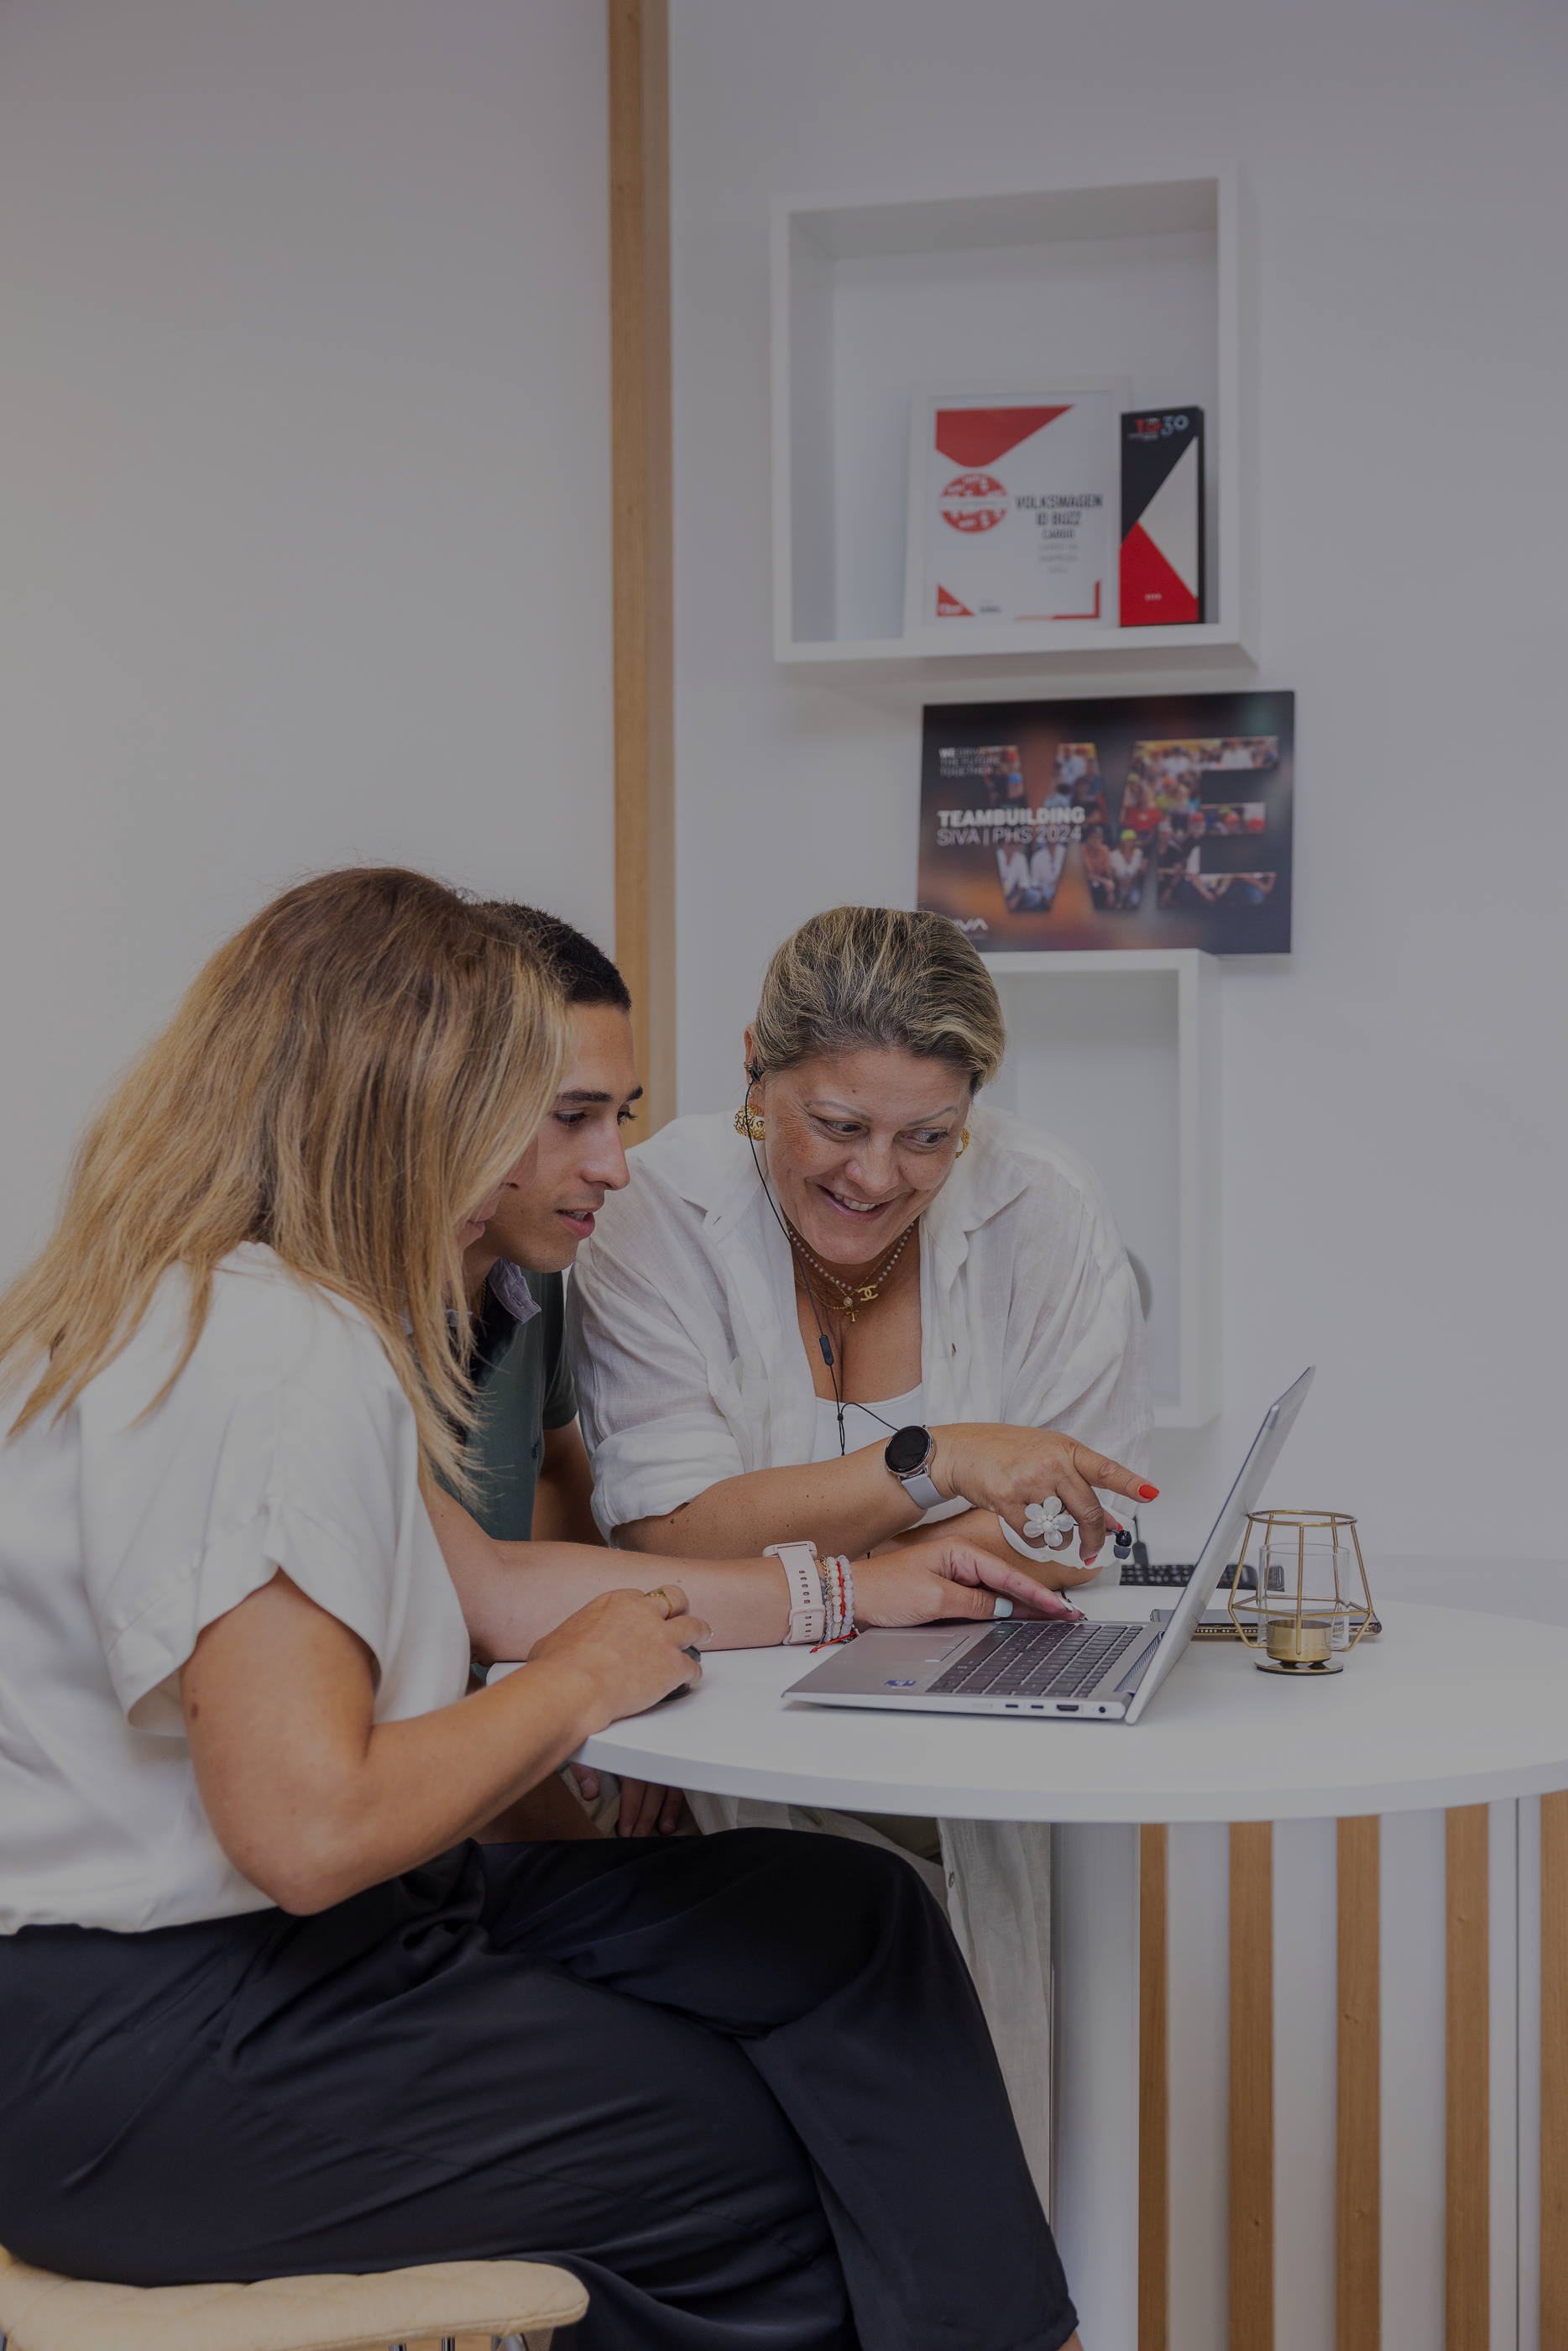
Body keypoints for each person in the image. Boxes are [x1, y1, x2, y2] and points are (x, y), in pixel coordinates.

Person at [0, 868, 1086, 2351]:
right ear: (404, 1104)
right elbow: (307, 1830)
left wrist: (854, 1587)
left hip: (272, 1958)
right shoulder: (272, 1360)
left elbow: (500, 1585)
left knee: (850, 1919)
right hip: (159, 2044)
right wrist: (574, 1690)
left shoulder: (241, 1309)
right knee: (802, 2160)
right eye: (544, 1113)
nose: (592, 1162)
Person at [567, 904, 1154, 2201]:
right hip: (719, 1760)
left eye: (928, 1136)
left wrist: (806, 1556)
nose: (878, 1176)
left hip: (974, 1755)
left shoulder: (1043, 1204)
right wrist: (939, 1463)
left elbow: (1071, 1521)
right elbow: (669, 1531)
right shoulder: (652, 1209)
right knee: (765, 2177)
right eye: (837, 1125)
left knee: (977, 2151)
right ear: (754, 1071)